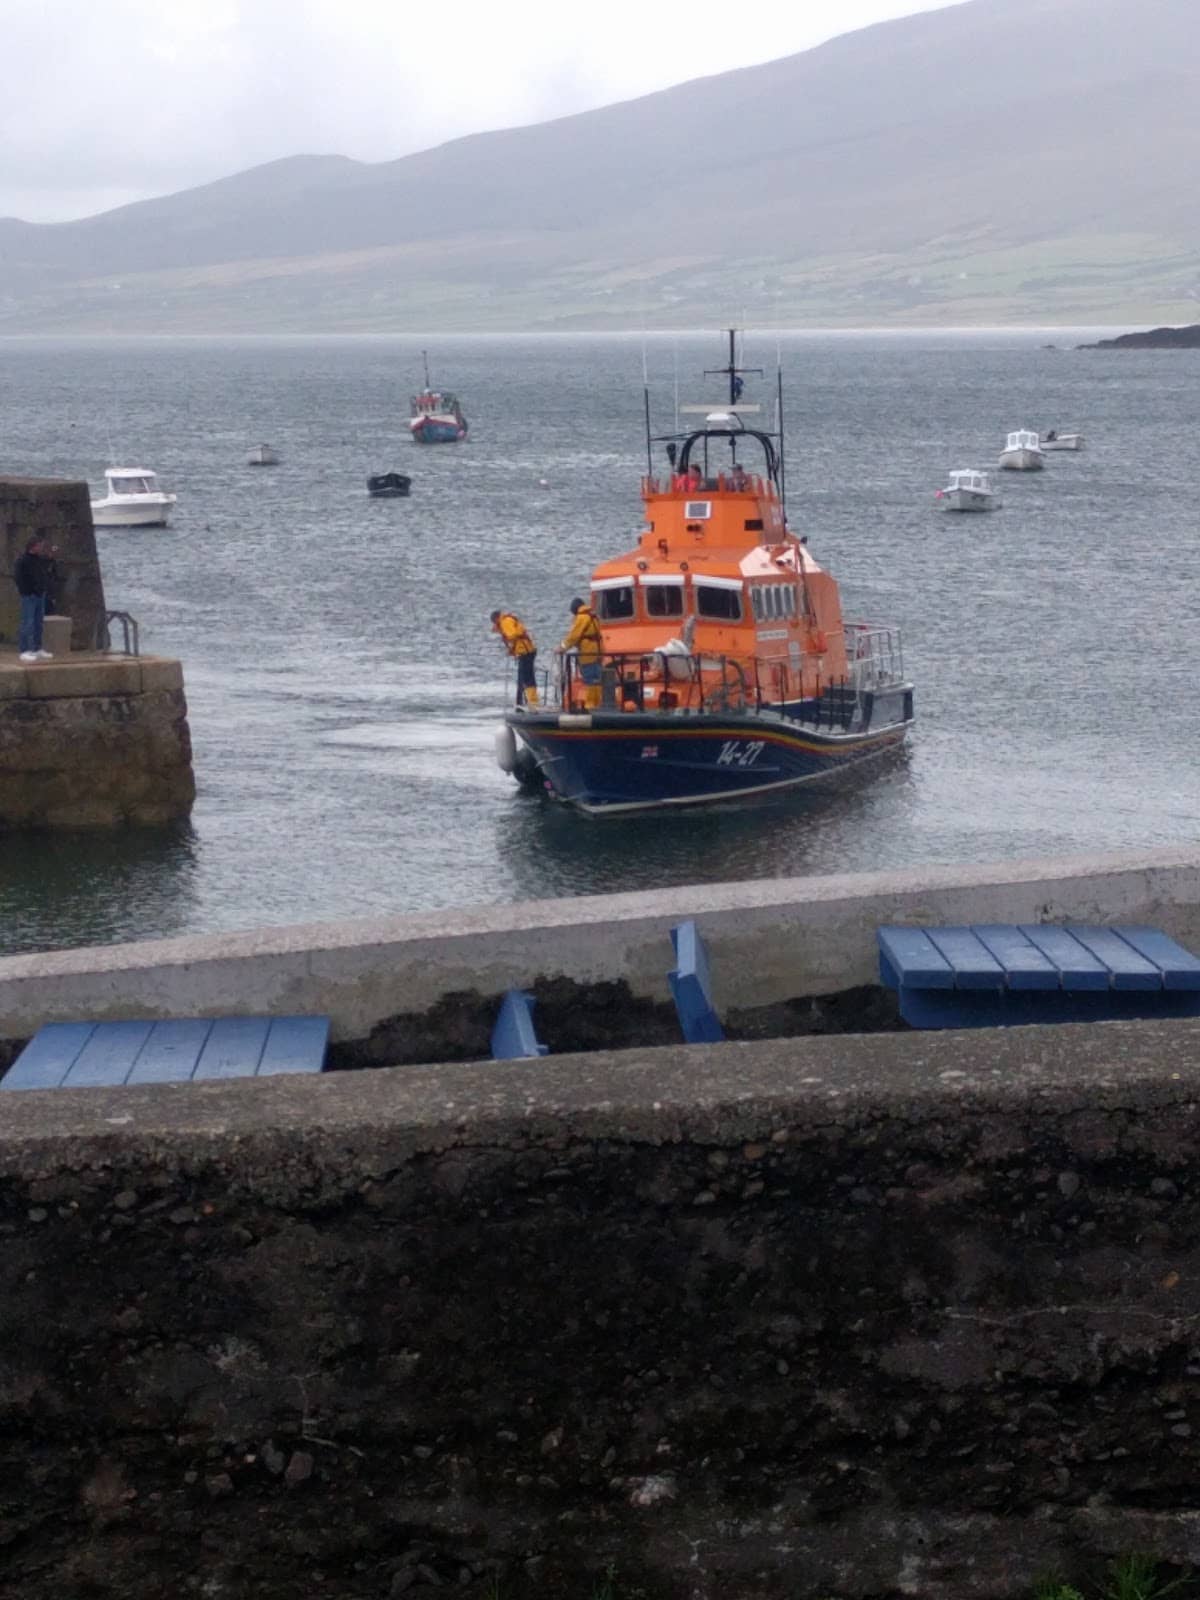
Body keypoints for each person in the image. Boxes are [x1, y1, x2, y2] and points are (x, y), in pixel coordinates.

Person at [13, 535, 57, 663]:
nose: (41, 548)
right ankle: (24, 650)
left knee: (38, 623)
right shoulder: (22, 560)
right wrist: (26, 591)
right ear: (33, 547)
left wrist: (52, 554)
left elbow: (47, 561)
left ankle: (37, 648)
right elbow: (18, 578)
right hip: (29, 596)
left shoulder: (39, 559)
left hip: (40, 595)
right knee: (27, 623)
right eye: (39, 546)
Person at [560, 596, 603, 709]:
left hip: (587, 652)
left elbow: (574, 636)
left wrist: (562, 647)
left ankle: (590, 705)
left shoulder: (581, 618)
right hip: (598, 651)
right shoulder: (593, 616)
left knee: (589, 678)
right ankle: (598, 703)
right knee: (597, 678)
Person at [490, 609, 539, 706]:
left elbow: (512, 635)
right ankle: (521, 702)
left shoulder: (505, 622)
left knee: (527, 678)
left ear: (496, 619)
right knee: (523, 678)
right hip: (525, 651)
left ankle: (533, 702)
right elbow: (515, 636)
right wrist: (512, 650)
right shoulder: (507, 620)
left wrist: (508, 641)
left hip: (525, 651)